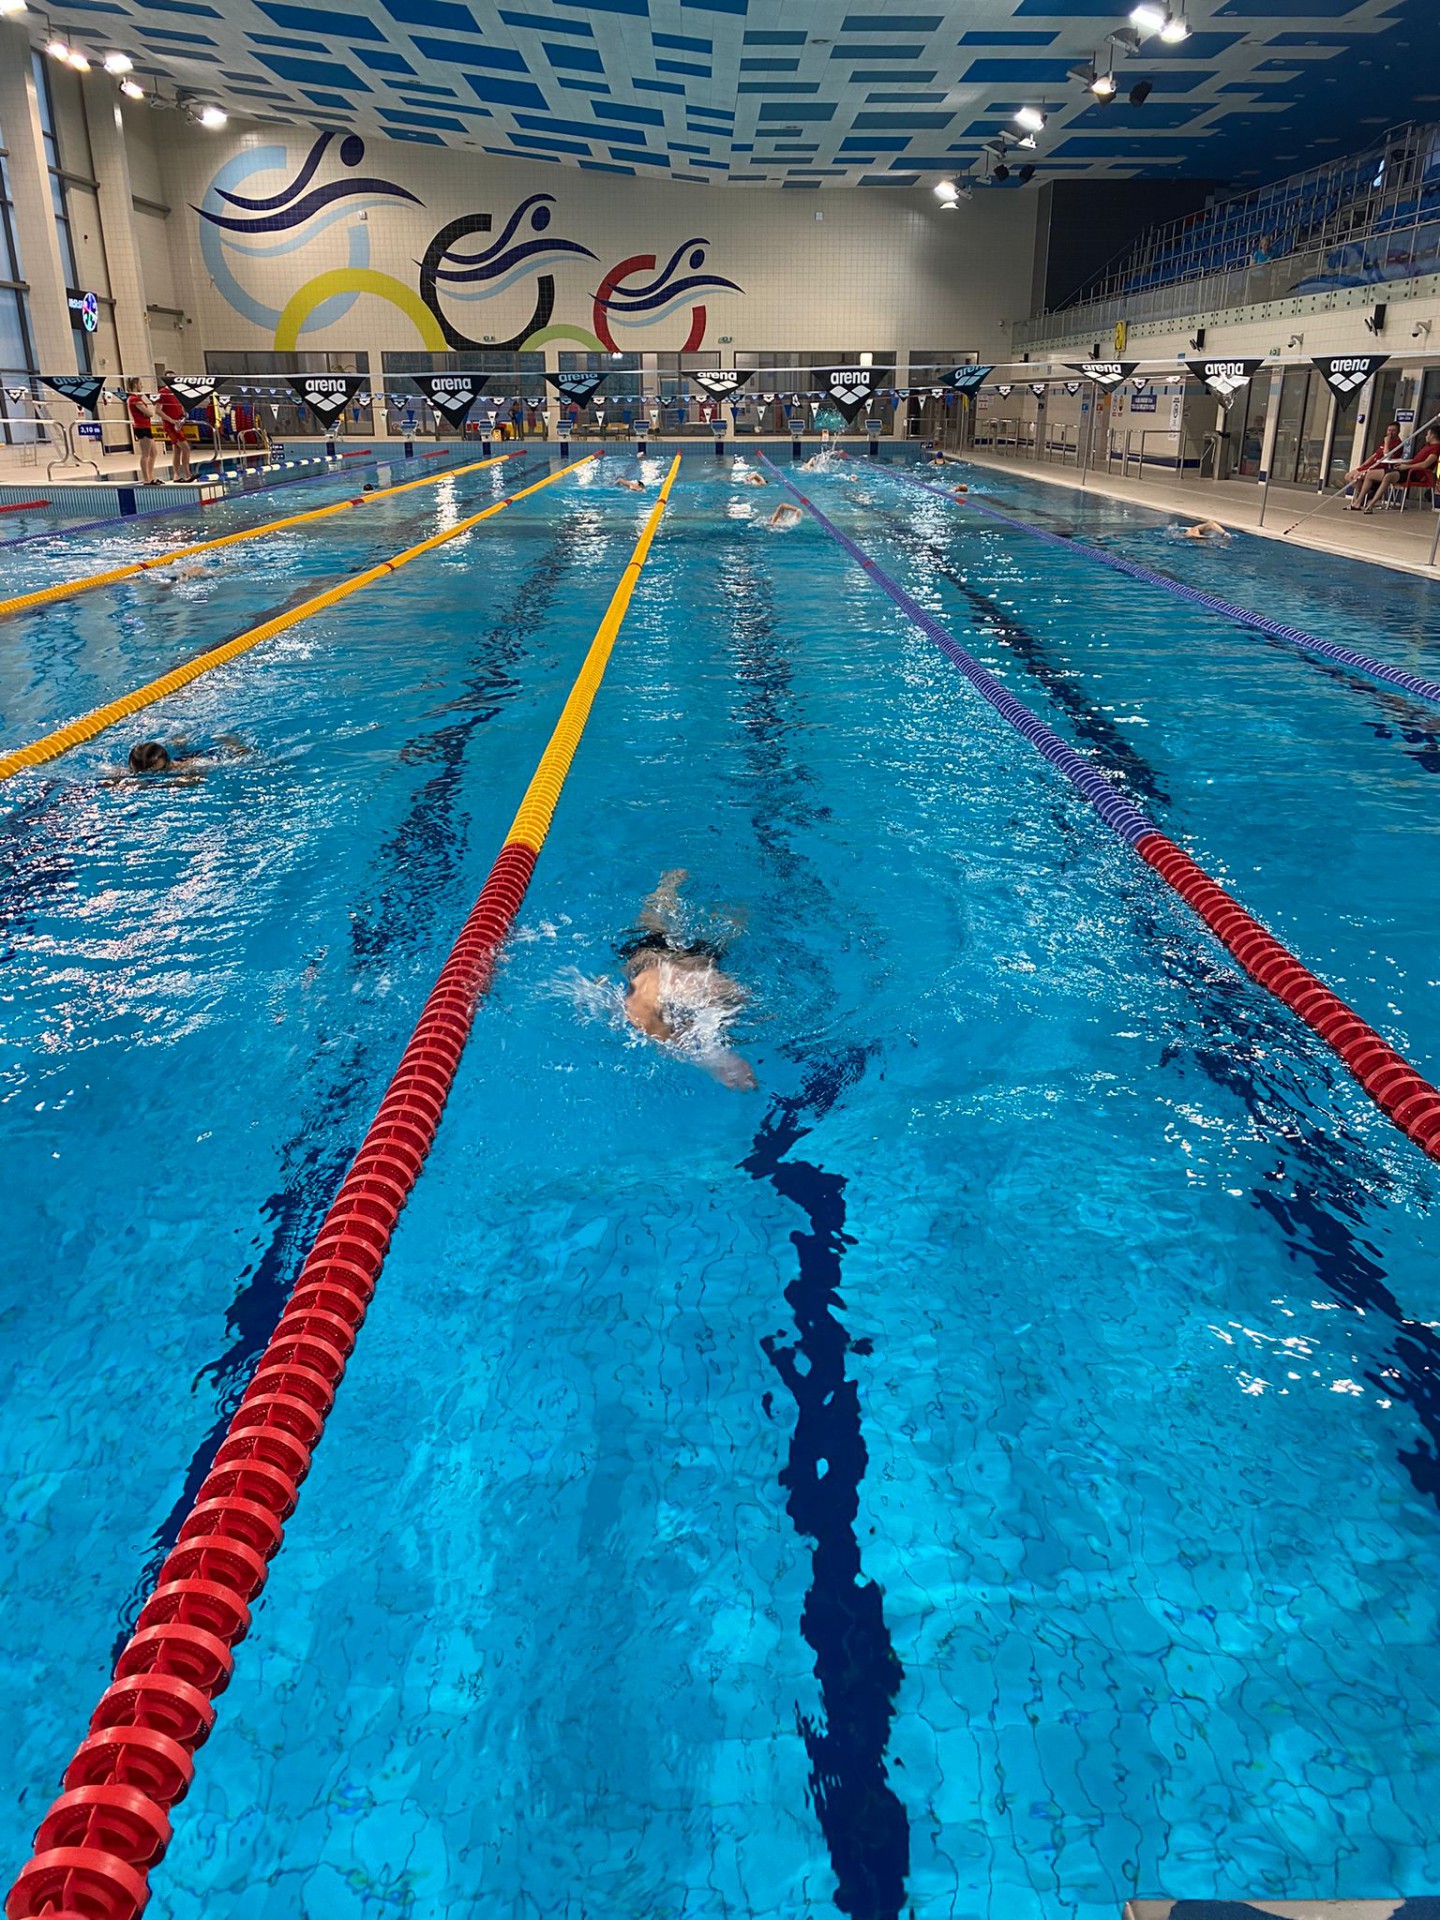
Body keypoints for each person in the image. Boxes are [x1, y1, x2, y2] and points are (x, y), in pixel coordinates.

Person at [618, 870, 756, 1090]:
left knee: (735, 913)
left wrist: (715, 1060)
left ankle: (671, 881)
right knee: (661, 910)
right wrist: (713, 1061)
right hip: (657, 951)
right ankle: (669, 880)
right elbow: (638, 1009)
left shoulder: (717, 988)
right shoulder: (657, 983)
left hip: (687, 959)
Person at [1359, 425, 1440, 512]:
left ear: (1432, 435)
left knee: (1388, 476)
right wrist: (1404, 464)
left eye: (1427, 434)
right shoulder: (1427, 446)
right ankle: (1358, 501)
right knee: (1370, 474)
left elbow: (1425, 464)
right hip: (1407, 469)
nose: (1426, 436)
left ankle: (1371, 504)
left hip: (1415, 473)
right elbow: (1416, 460)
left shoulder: (1436, 448)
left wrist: (1406, 466)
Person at [123, 734, 249, 782]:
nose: (153, 775)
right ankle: (180, 744)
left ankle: (233, 743)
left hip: (198, 758)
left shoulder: (189, 766)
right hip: (179, 758)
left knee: (244, 756)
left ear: (168, 764)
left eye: (160, 770)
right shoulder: (134, 769)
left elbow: (199, 778)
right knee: (183, 752)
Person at [125, 378, 160, 486]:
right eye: (140, 384)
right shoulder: (134, 399)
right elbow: (149, 413)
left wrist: (146, 413)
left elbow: (147, 413)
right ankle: (146, 479)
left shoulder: (137, 399)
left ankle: (151, 477)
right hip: (141, 428)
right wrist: (147, 413)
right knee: (145, 454)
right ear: (135, 385)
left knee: (154, 452)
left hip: (146, 427)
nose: (142, 386)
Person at [157, 374, 192, 482]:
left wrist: (183, 414)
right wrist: (171, 420)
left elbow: (178, 408)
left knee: (177, 450)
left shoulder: (176, 392)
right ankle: (187, 475)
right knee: (186, 448)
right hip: (171, 426)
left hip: (178, 425)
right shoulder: (162, 392)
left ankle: (176, 476)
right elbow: (158, 411)